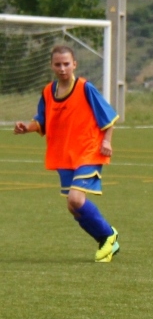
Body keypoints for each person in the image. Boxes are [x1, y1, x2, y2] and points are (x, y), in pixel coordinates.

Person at [13, 45, 120, 262]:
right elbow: (41, 120)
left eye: (66, 64)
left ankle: (109, 235)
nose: (62, 68)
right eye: (58, 64)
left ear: (74, 65)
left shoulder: (85, 88)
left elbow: (109, 116)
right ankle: (106, 240)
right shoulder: (47, 92)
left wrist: (107, 141)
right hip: (65, 156)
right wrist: (27, 127)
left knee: (76, 198)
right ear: (52, 66)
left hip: (89, 151)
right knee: (73, 206)